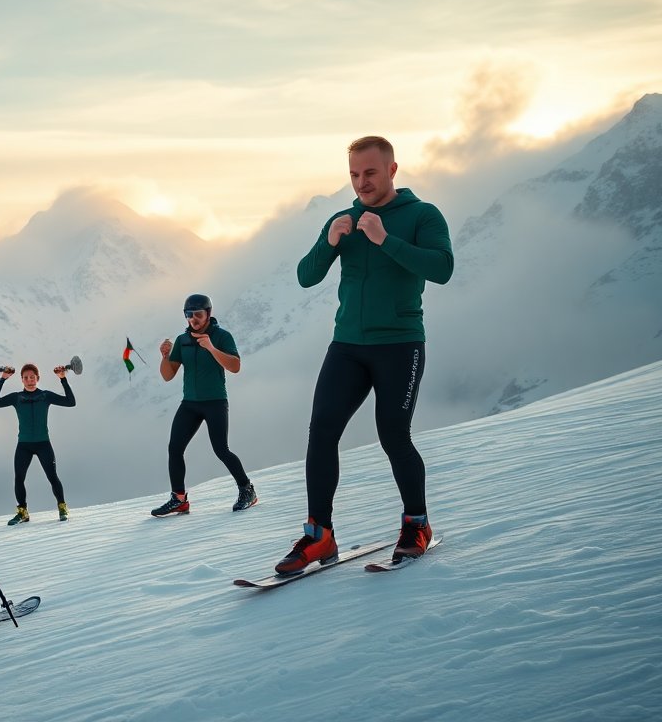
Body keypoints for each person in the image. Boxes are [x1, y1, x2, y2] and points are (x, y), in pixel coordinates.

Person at [274, 135, 454, 575]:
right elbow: (305, 277)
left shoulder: (422, 215)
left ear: (392, 170)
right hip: (348, 347)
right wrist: (329, 242)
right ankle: (320, 536)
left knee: (393, 434)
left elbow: (442, 269)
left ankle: (417, 525)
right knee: (321, 433)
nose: (361, 182)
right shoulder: (345, 218)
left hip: (400, 344)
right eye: (354, 174)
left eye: (370, 173)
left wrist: (385, 240)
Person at [150, 294, 256, 516]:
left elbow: (235, 366)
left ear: (209, 313)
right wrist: (165, 356)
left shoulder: (222, 336)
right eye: (189, 315)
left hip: (215, 402)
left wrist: (211, 348)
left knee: (221, 449)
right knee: (174, 448)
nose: (193, 319)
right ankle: (179, 499)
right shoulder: (183, 340)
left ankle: (247, 490)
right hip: (189, 403)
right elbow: (168, 375)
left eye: (197, 314)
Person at [0, 362, 76, 525]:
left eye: (32, 377)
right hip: (24, 445)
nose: (30, 380)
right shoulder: (16, 397)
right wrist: (3, 379)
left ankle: (62, 508)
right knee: (19, 479)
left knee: (52, 477)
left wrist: (63, 379)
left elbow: (71, 402)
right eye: (26, 378)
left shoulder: (46, 396)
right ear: (22, 380)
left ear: (38, 378)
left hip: (43, 444)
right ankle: (22, 512)